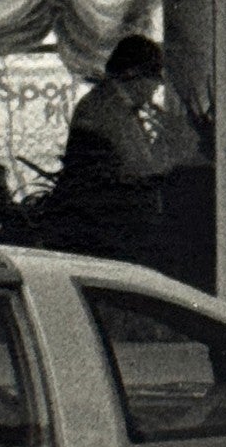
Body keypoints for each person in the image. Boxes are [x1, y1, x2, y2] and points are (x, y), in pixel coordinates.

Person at [51, 34, 212, 287]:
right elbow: (140, 169)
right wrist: (182, 147)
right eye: (154, 75)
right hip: (107, 228)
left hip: (105, 223)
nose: (158, 84)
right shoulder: (108, 107)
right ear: (133, 74)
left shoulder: (107, 102)